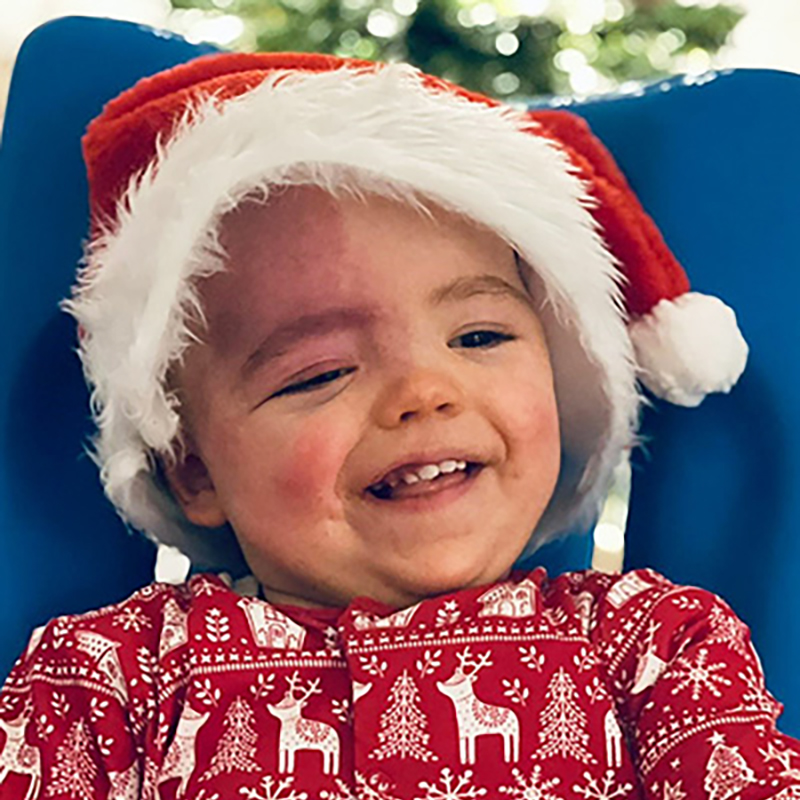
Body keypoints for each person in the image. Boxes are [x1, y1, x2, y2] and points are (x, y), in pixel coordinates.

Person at [0, 49, 797, 800]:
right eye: (320, 373)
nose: (424, 390)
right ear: (195, 469)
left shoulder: (655, 650)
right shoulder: (111, 678)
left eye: (479, 337)